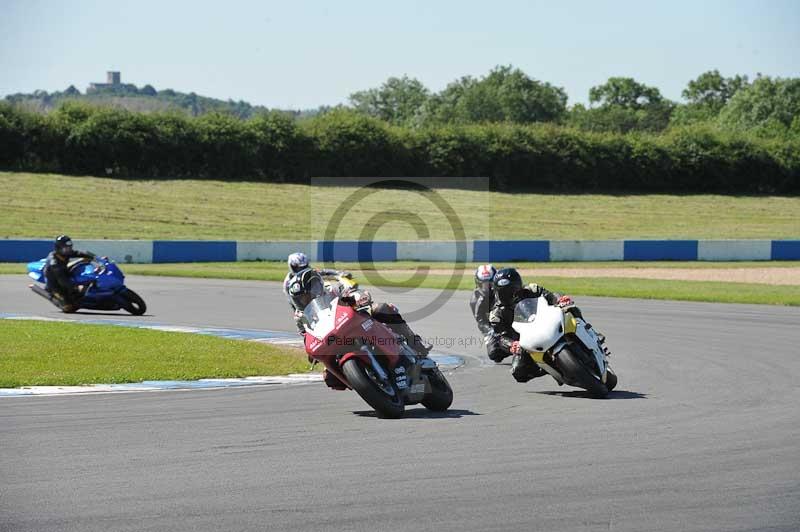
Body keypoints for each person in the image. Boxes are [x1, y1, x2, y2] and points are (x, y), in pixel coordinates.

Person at [288, 268, 432, 390]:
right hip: (333, 339)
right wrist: (311, 353)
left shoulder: (333, 289)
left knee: (383, 308)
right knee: (330, 378)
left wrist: (360, 298)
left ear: (317, 285)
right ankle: (367, 383)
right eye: (301, 299)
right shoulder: (300, 316)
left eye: (308, 294)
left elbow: (356, 292)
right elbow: (306, 334)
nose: (306, 300)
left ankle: (415, 344)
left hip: (356, 321)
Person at [488, 267, 578, 383]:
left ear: (519, 286)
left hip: (548, 322)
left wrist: (560, 299)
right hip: (526, 341)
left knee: (569, 307)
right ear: (496, 292)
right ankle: (549, 368)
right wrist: (512, 344)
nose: (508, 295)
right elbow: (500, 337)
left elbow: (551, 296)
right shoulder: (496, 314)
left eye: (512, 291)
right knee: (518, 372)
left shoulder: (532, 289)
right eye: (503, 292)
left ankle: (586, 329)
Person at [43, 235, 96, 312]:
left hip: (65, 274)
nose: (68, 250)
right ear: (58, 248)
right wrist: (74, 288)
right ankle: (52, 295)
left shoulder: (64, 253)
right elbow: (63, 281)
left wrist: (94, 257)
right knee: (69, 307)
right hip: (55, 284)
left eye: (69, 248)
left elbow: (78, 253)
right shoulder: (54, 263)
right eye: (66, 248)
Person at [470, 264, 507, 363]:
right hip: (493, 327)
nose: (486, 287)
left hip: (508, 318)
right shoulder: (475, 300)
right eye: (483, 284)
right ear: (477, 283)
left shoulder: (504, 290)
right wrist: (492, 331)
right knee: (495, 354)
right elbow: (481, 321)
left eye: (489, 283)